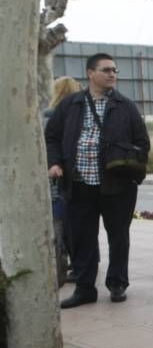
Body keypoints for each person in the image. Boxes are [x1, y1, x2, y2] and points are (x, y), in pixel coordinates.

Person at [46, 53, 150, 308]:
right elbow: (52, 137)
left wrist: (126, 160)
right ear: (90, 73)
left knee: (118, 236)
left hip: (117, 185)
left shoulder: (125, 106)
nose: (112, 74)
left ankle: (117, 283)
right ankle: (84, 289)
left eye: (114, 70)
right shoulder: (70, 104)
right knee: (81, 238)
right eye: (106, 70)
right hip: (79, 184)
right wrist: (55, 163)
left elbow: (143, 143)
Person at [44, 76, 83, 285]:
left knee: (57, 227)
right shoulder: (78, 117)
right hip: (69, 181)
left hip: (50, 182)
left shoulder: (44, 117)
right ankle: (77, 265)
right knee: (72, 226)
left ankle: (61, 266)